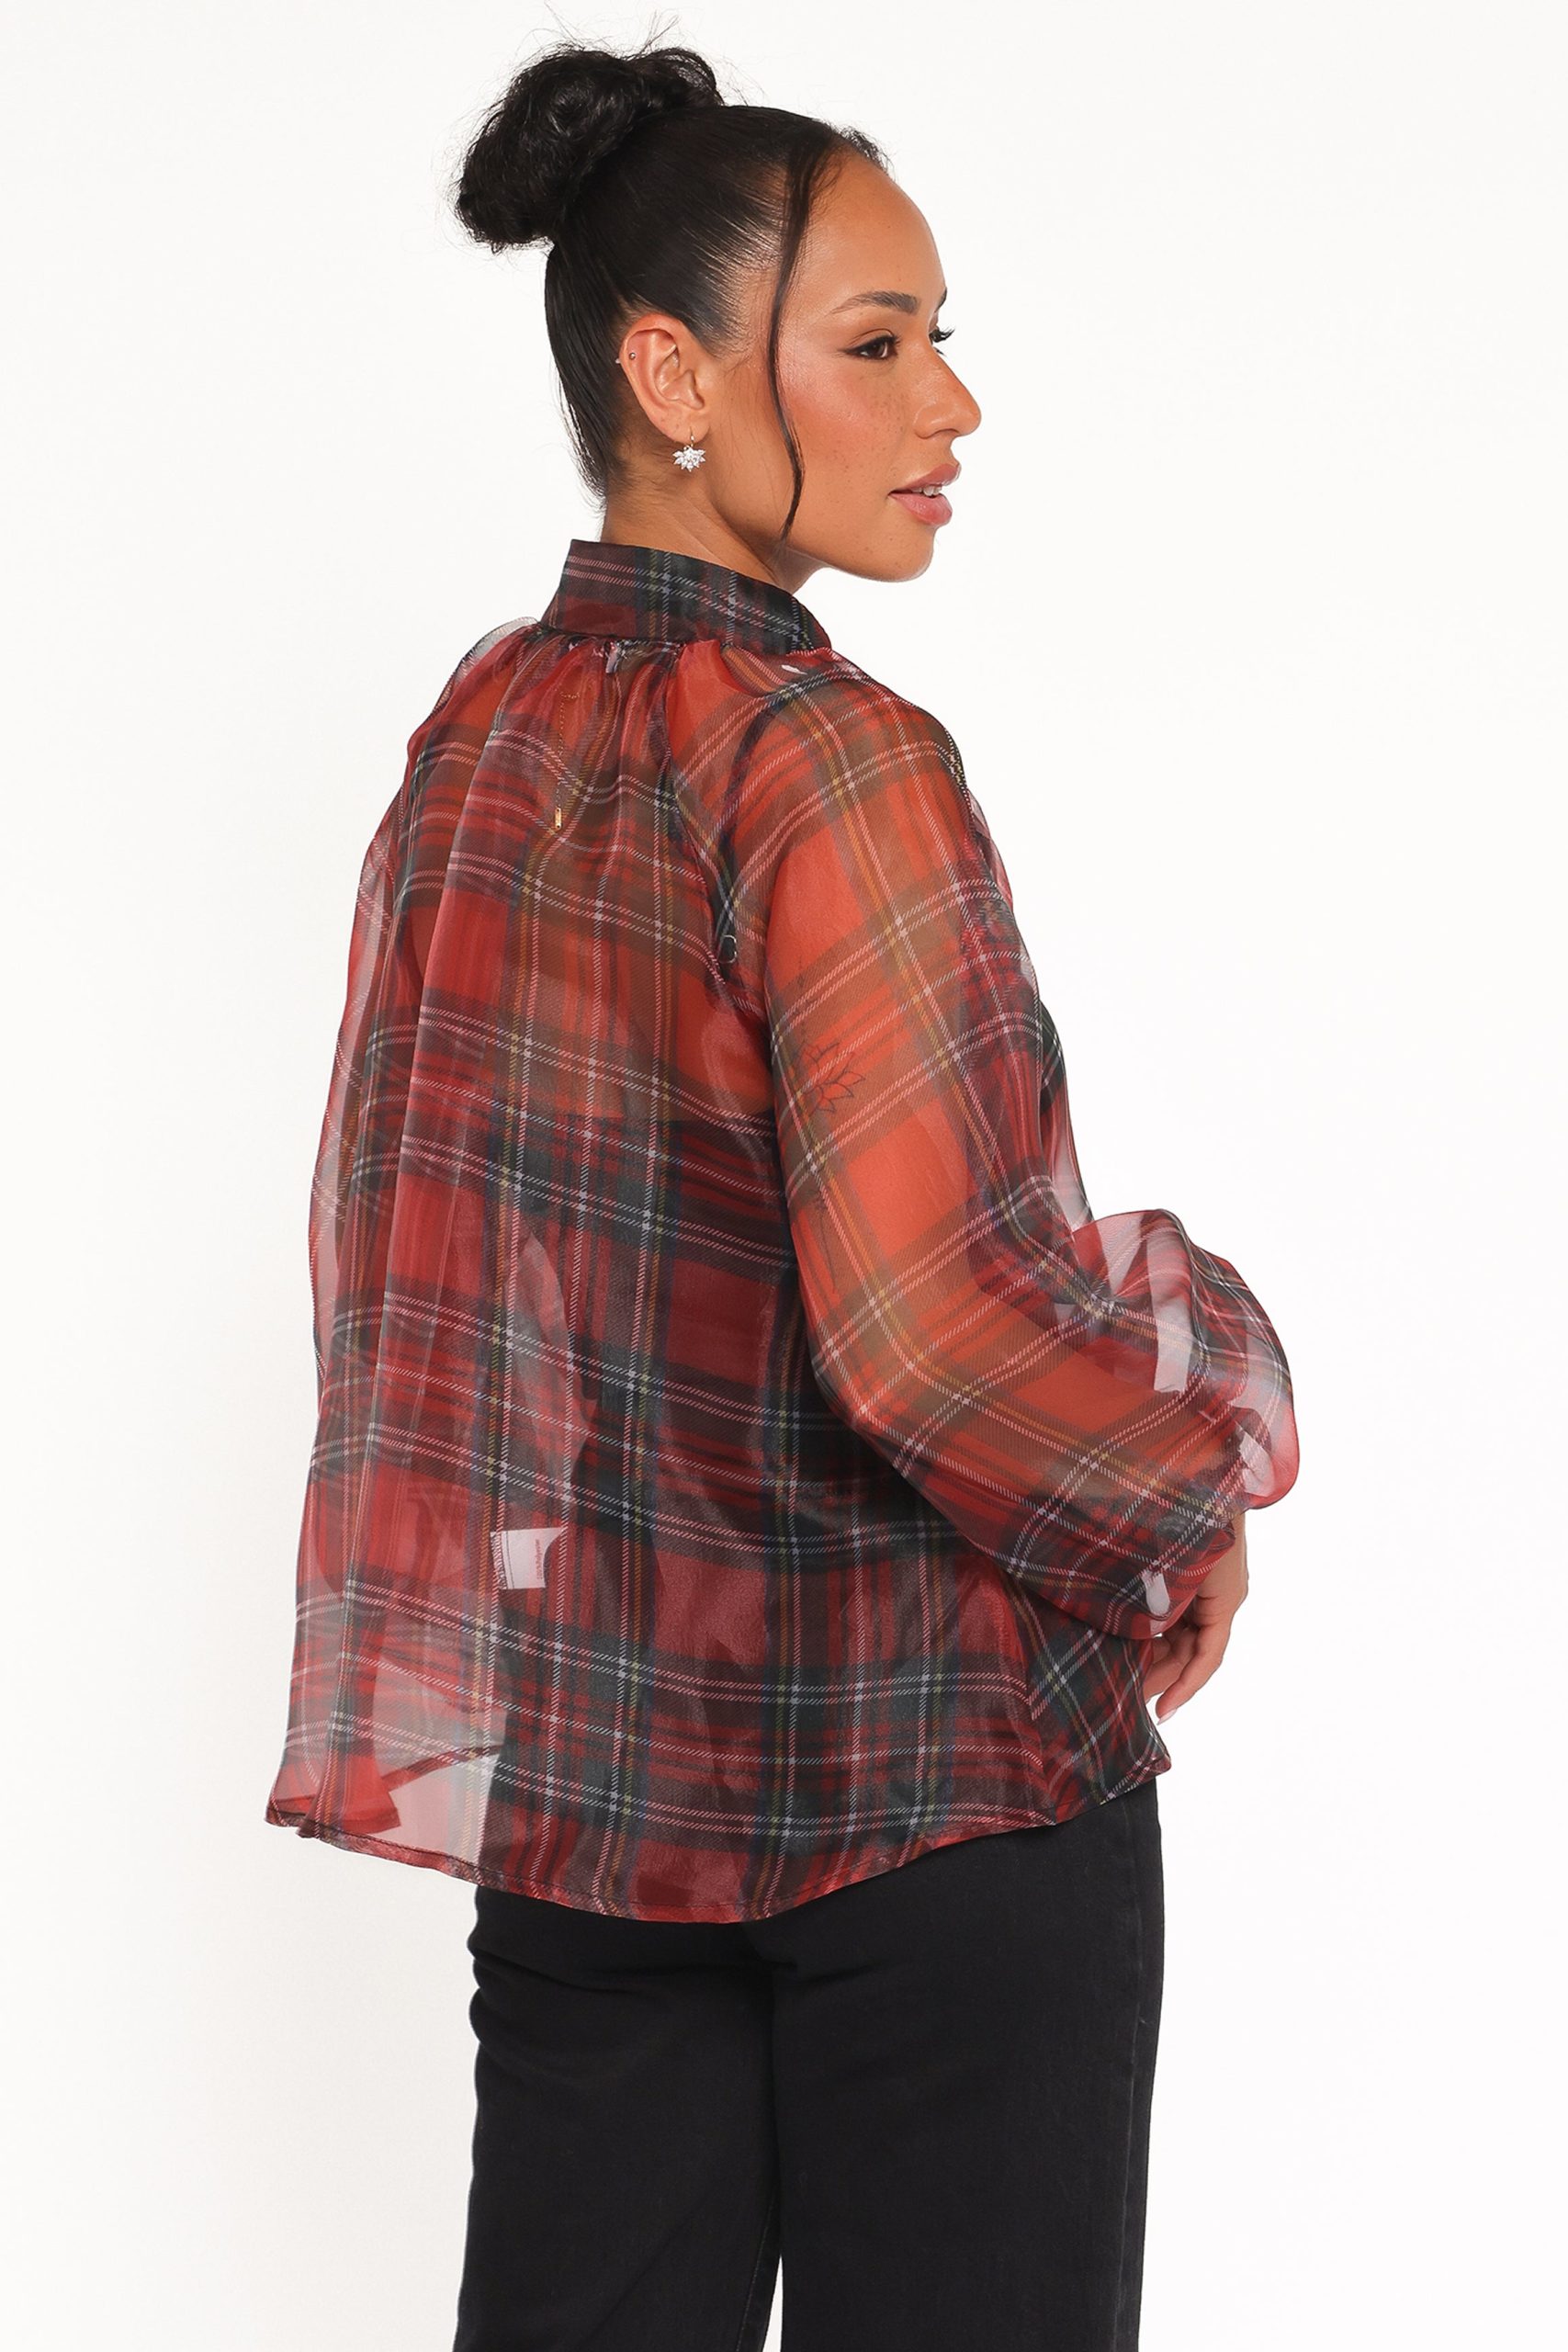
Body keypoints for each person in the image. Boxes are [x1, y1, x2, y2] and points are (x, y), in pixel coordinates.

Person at [265, 33, 1300, 2352]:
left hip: (595, 1799)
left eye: (936, 339)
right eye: (874, 342)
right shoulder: (831, 760)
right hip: (936, 1797)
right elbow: (931, 1328)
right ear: (669, 376)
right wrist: (1194, 1455)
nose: (948, 403)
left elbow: (425, 1289)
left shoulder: (476, 743)